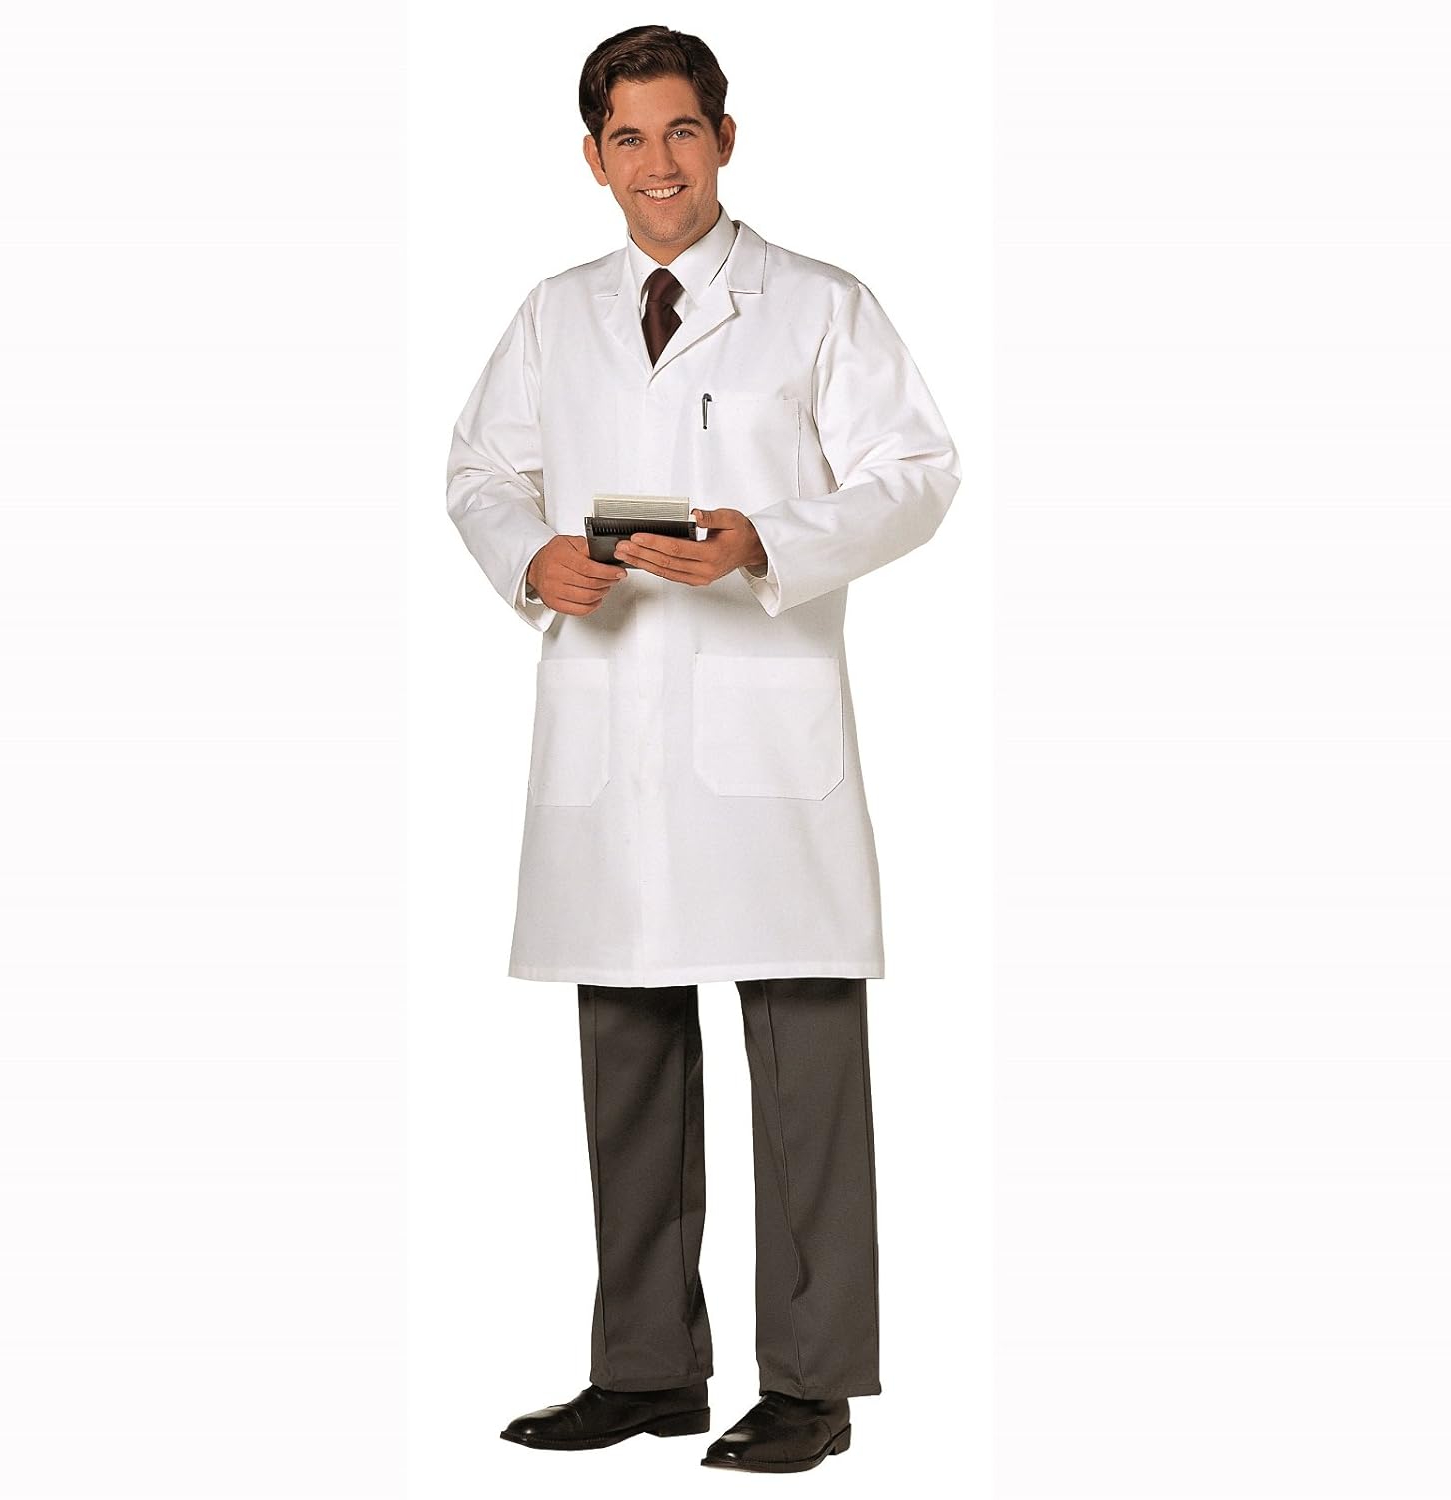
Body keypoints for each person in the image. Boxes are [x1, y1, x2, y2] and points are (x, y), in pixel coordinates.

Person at [444, 24, 960, 1475]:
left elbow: (918, 475)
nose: (657, 164)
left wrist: (766, 540)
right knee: (626, 1061)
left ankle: (811, 1385)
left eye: (682, 131)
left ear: (725, 139)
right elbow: (480, 472)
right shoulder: (554, 313)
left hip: (762, 730)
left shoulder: (818, 303)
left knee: (805, 1071)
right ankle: (647, 1372)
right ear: (593, 157)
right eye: (628, 138)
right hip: (610, 727)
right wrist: (529, 556)